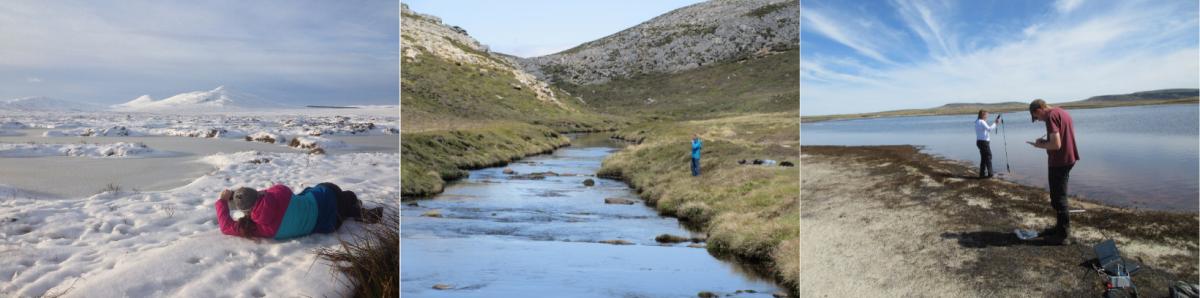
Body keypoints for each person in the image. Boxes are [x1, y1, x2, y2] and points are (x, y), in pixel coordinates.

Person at [215, 182, 380, 240]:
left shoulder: (257, 228)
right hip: (326, 197)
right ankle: (354, 207)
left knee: (309, 195)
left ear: (245, 212)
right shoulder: (280, 192)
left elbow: (225, 227)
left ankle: (352, 210)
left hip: (329, 224)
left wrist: (222, 202)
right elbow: (269, 192)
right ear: (258, 193)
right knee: (346, 195)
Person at [1026, 99, 1079, 245]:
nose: (1038, 120)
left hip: (1060, 161)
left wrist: (1039, 145)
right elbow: (1059, 138)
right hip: (1069, 158)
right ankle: (1059, 228)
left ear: (1039, 110)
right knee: (1058, 196)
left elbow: (1056, 144)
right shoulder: (1061, 112)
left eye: (1036, 117)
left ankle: (1063, 236)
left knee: (1058, 198)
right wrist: (1044, 142)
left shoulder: (1050, 117)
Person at [975, 110, 1002, 178]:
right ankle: (990, 174)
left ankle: (982, 174)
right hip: (984, 142)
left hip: (979, 142)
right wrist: (995, 123)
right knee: (988, 156)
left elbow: (985, 130)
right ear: (983, 115)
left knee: (984, 158)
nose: (987, 116)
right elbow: (989, 129)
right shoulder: (982, 121)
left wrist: (995, 123)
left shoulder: (977, 121)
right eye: (986, 115)